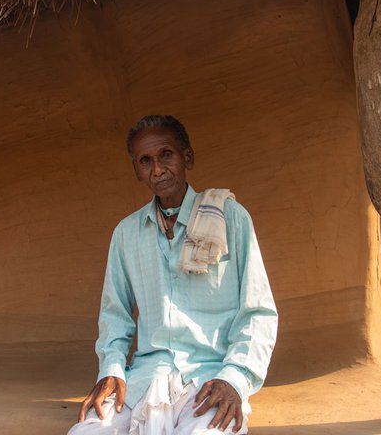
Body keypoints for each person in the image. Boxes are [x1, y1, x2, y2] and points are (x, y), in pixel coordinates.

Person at [69, 115, 277, 435]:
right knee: (86, 432)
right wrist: (111, 370)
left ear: (186, 157)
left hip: (210, 380)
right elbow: (115, 315)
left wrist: (234, 378)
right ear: (137, 170)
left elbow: (259, 312)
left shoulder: (230, 218)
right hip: (144, 379)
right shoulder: (127, 233)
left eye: (166, 155)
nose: (157, 169)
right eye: (145, 161)